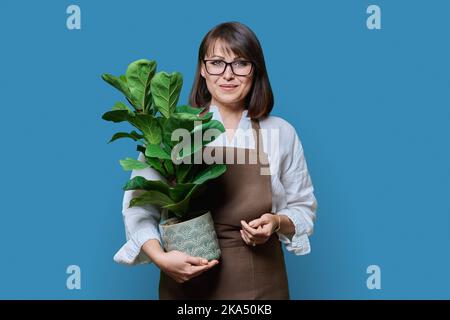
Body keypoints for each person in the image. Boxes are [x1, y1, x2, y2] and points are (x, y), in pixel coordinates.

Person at [113, 21, 318, 300]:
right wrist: (161, 258)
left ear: (255, 69)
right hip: (188, 286)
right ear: (202, 68)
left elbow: (302, 208)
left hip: (261, 286)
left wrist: (277, 222)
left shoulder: (280, 133)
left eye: (241, 63)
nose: (228, 75)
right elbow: (138, 209)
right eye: (217, 63)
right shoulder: (176, 132)